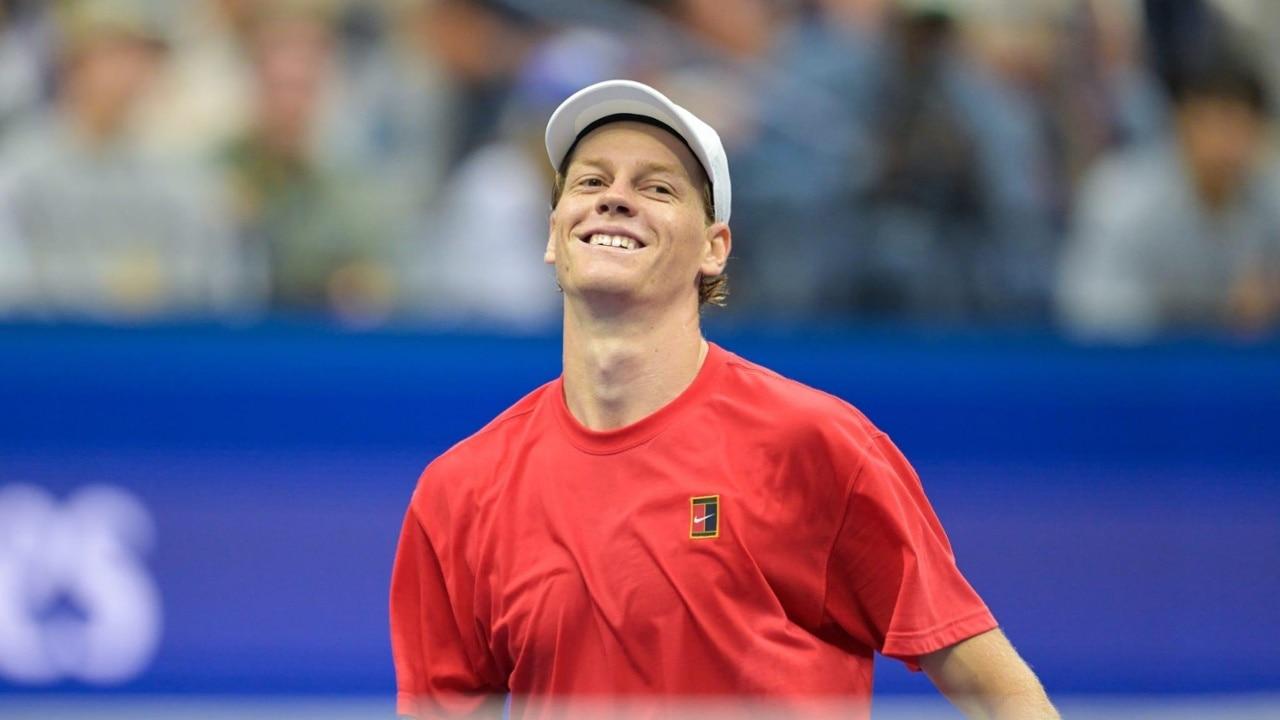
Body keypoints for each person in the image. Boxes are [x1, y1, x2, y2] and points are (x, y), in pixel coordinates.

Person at [389, 79, 1059, 719]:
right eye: (591, 181)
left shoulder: (818, 444)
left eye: (656, 187)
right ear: (552, 232)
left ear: (714, 249)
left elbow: (999, 689)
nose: (614, 199)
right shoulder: (460, 492)